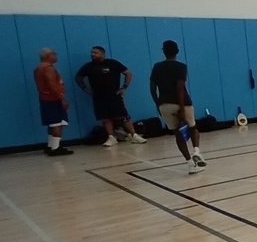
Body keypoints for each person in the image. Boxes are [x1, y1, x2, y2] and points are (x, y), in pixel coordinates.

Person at [149, 40, 207, 175]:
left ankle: (190, 164)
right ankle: (196, 151)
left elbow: (152, 88)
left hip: (164, 104)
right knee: (192, 128)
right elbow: (180, 88)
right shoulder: (181, 66)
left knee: (178, 134)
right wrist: (181, 108)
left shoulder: (157, 67)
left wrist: (158, 103)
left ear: (163, 51)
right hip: (183, 103)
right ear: (178, 51)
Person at [76, 46, 148, 146]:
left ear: (102, 54)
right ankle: (111, 137)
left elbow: (128, 73)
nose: (92, 54)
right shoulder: (88, 67)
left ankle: (134, 135)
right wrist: (85, 89)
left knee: (123, 116)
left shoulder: (112, 63)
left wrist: (124, 87)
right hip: (99, 97)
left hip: (114, 95)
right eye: (92, 53)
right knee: (105, 118)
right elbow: (78, 77)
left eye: (95, 52)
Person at [34, 48, 73, 156]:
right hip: (53, 99)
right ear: (49, 55)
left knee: (52, 123)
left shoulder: (38, 67)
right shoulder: (48, 68)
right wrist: (61, 98)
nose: (56, 56)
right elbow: (51, 84)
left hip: (45, 98)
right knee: (57, 123)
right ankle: (56, 148)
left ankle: (50, 146)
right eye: (54, 54)